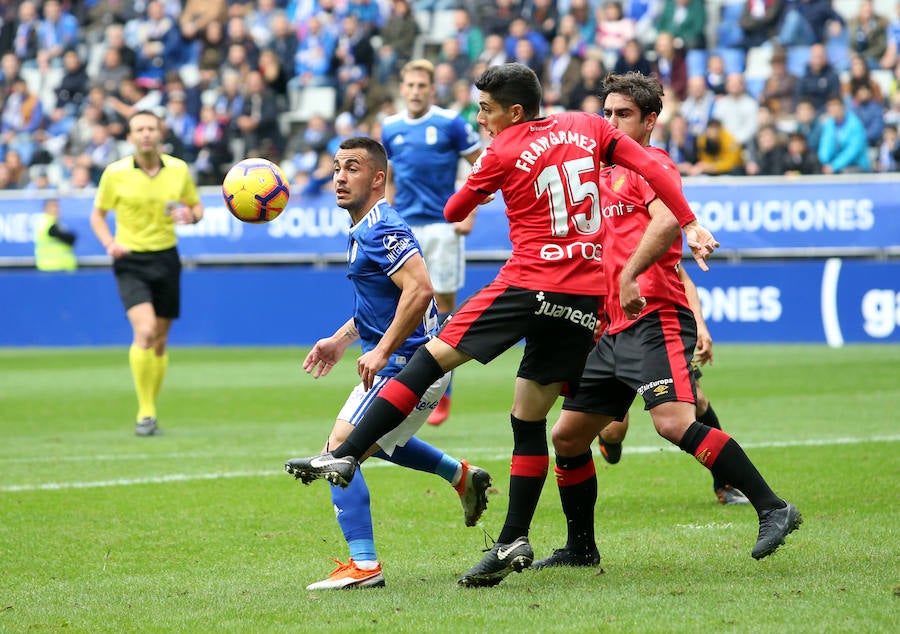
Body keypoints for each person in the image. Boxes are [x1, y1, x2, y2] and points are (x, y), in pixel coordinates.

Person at [285, 63, 718, 588]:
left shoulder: (502, 150)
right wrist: (690, 222)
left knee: (429, 359)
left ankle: (347, 455)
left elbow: (454, 209)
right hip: (585, 295)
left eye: (486, 109)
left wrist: (484, 183)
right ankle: (513, 537)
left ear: (513, 111)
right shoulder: (586, 125)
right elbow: (652, 167)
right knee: (528, 416)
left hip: (530, 281)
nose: (480, 119)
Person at [531, 72, 800, 571]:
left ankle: (773, 507)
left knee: (674, 422)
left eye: (624, 114)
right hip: (613, 326)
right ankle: (581, 548)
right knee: (567, 437)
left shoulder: (651, 164)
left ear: (650, 120)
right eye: (606, 113)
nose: (611, 122)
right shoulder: (600, 172)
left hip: (655, 314)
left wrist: (630, 274)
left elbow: (669, 219)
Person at [287, 136, 491, 590]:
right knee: (375, 442)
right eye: (336, 168)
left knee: (341, 451)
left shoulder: (383, 228)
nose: (340, 177)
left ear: (378, 179)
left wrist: (381, 351)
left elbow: (420, 290)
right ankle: (460, 476)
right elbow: (382, 303)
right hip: (404, 362)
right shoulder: (364, 227)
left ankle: (364, 566)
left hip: (408, 366)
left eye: (352, 168)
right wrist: (340, 340)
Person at [380, 58, 483, 426]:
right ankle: (402, 383)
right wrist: (386, 216)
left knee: (442, 309)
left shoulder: (450, 123)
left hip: (443, 226)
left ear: (431, 90)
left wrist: (469, 212)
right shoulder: (390, 128)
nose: (415, 91)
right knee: (404, 306)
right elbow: (388, 176)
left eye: (422, 86)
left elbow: (481, 165)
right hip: (405, 228)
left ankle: (443, 386)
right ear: (402, 88)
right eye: (410, 85)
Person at [595, 265, 751, 506]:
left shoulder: (650, 245)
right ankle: (607, 439)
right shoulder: (588, 247)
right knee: (614, 431)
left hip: (656, 336)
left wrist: (700, 325)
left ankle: (725, 484)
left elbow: (684, 281)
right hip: (608, 341)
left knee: (698, 400)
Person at [89, 109, 203, 436]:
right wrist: (109, 243)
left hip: (166, 258)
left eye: (151, 128)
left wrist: (191, 216)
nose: (146, 134)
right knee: (146, 331)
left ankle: (151, 409)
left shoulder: (178, 170)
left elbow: (196, 207)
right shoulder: (115, 173)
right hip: (130, 259)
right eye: (139, 129)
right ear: (130, 136)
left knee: (160, 341)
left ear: (160, 133)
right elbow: (97, 215)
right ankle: (145, 412)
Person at [34, 198, 77, 271]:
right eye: (53, 206)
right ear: (45, 208)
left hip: (58, 267)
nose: (56, 209)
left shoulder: (54, 222)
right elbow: (69, 238)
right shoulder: (48, 223)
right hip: (53, 267)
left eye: (57, 206)